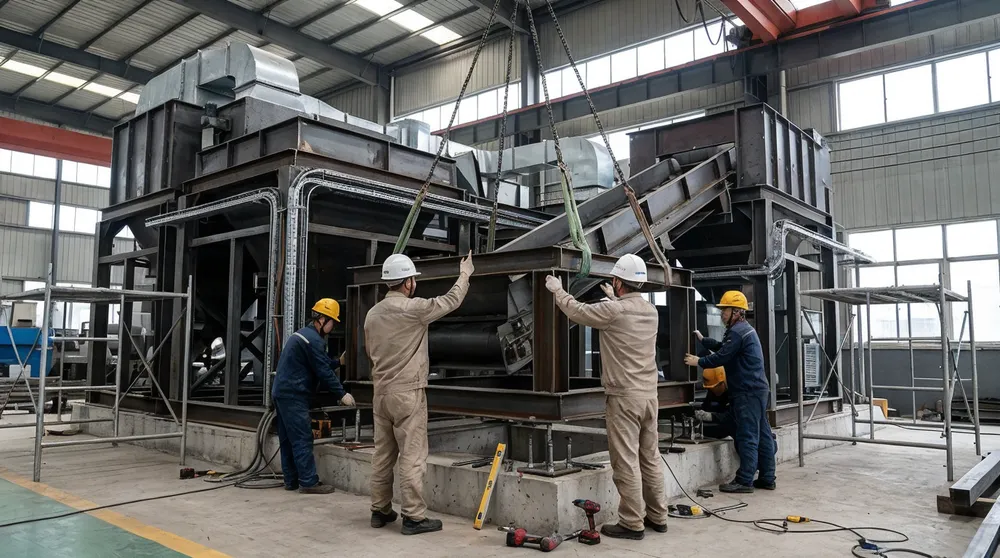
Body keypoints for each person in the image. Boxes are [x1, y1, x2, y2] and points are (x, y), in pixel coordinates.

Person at [545, 254, 669, 541]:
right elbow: (625, 309)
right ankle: (658, 516)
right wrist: (615, 297)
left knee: (626, 460)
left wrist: (557, 290)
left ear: (617, 281)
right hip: (650, 396)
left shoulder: (613, 312)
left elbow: (576, 311)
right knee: (649, 457)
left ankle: (631, 523)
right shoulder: (651, 311)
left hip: (624, 397)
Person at [365, 251, 474, 536]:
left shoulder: (371, 314)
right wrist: (465, 274)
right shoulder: (413, 310)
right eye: (413, 279)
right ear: (408, 282)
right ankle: (413, 517)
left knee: (383, 454)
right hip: (407, 393)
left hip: (381, 393)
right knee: (412, 455)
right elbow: (449, 301)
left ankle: (380, 510)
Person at [684, 291, 776, 494]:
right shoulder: (743, 330)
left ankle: (744, 481)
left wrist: (698, 361)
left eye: (724, 310)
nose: (721, 314)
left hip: (747, 391)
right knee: (763, 434)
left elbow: (722, 356)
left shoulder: (737, 332)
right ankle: (768, 477)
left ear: (736, 311)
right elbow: (723, 347)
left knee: (747, 435)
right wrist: (703, 340)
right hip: (757, 389)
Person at [271, 298, 356, 494]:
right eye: (332, 322)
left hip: (282, 392)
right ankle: (308, 482)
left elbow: (321, 363)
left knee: (287, 439)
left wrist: (338, 362)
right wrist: (342, 394)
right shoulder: (315, 340)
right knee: (302, 437)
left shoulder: (305, 335)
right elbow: (323, 372)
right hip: (293, 394)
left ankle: (291, 480)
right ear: (322, 319)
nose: (333, 327)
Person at [695, 366, 733, 440]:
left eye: (713, 388)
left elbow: (733, 416)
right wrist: (701, 414)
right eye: (709, 388)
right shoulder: (711, 392)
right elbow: (706, 407)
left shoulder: (734, 392)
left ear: (722, 383)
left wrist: (712, 416)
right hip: (715, 430)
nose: (712, 390)